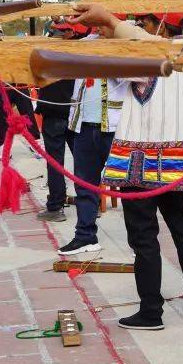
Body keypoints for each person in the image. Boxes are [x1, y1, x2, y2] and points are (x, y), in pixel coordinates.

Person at [72, 6, 183, 329]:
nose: (135, 28)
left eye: (142, 23)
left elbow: (101, 60)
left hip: (139, 162)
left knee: (144, 238)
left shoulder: (146, 58)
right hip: (177, 160)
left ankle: (151, 311)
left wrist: (108, 31)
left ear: (156, 28)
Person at [56, 22, 124, 256]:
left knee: (129, 186)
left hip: (115, 126)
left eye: (103, 24)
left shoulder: (127, 46)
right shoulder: (83, 46)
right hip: (84, 125)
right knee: (84, 184)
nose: (97, 29)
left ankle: (141, 241)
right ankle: (85, 236)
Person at [35, 22, 85, 222]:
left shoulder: (49, 55)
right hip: (74, 113)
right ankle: (89, 201)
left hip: (58, 114)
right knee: (81, 162)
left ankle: (56, 205)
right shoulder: (80, 55)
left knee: (56, 163)